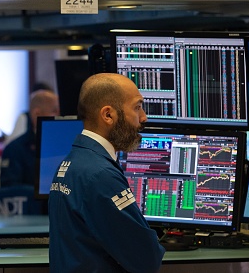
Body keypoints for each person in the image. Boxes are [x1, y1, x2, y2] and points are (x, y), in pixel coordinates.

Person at [48, 73, 165, 273]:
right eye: (137, 107)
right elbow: (147, 258)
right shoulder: (100, 175)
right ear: (108, 115)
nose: (143, 117)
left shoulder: (72, 162)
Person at [0, 89, 60, 187]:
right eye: (54, 111)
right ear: (37, 114)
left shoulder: (65, 144)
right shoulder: (15, 149)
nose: (59, 117)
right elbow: (10, 191)